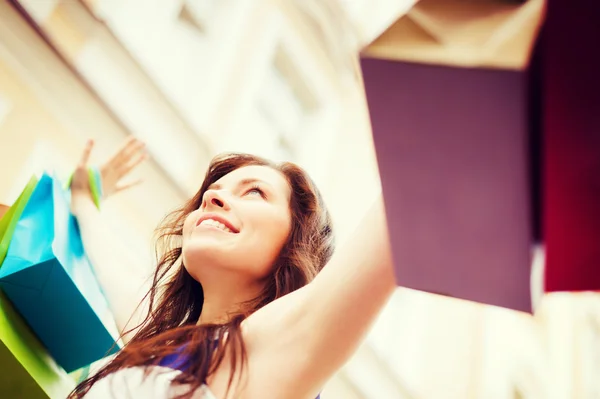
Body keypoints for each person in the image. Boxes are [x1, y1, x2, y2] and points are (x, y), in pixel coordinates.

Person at [68, 137, 395, 399]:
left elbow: (390, 227)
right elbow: (113, 267)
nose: (211, 197)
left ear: (297, 242)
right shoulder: (161, 340)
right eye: (211, 194)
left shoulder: (276, 349)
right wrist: (84, 196)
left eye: (255, 192)